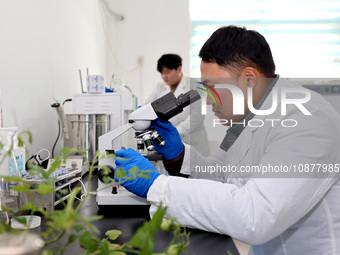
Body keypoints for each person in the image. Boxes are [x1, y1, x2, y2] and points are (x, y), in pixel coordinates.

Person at [114, 26, 340, 254]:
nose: (209, 101)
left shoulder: (306, 117)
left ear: (249, 79)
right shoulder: (250, 118)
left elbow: (256, 215)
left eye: (213, 88)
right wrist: (180, 155)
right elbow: (223, 175)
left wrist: (157, 186)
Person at [145, 54, 210, 157]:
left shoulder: (194, 85)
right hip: (170, 144)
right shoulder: (159, 87)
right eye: (161, 73)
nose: (164, 76)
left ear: (179, 69)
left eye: (167, 72)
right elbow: (147, 107)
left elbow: (197, 116)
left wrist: (175, 132)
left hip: (193, 142)